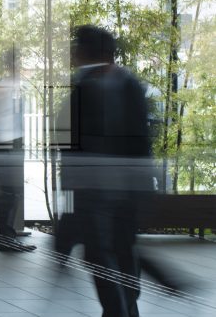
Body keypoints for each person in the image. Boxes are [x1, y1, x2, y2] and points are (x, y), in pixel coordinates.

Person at [56, 25, 155, 317]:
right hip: (127, 190)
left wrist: (69, 205)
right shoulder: (131, 84)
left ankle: (119, 311)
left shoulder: (82, 89)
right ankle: (126, 308)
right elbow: (142, 141)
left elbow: (68, 150)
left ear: (84, 53)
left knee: (101, 257)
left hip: (94, 193)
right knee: (124, 252)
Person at [0, 48, 35, 252]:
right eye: (20, 62)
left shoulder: (8, 85)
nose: (22, 67)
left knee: (10, 192)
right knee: (10, 192)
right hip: (2, 145)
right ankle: (5, 237)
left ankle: (6, 237)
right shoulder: (6, 86)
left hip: (5, 144)